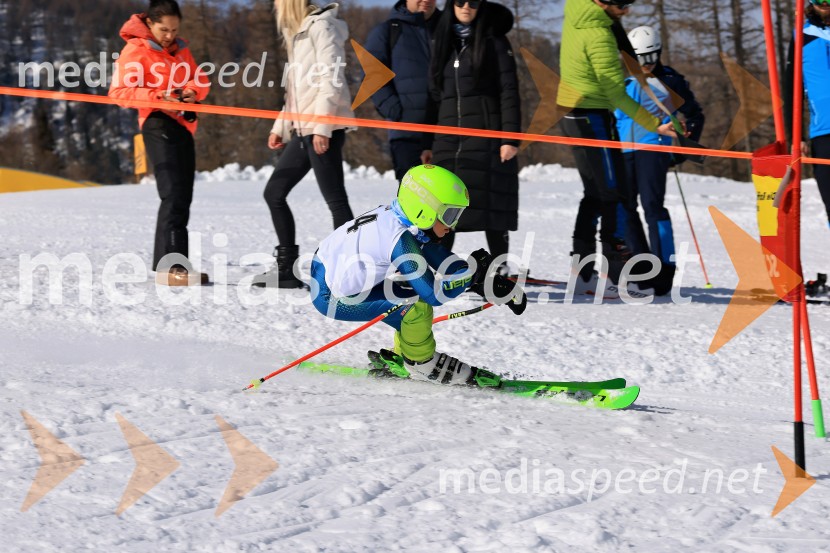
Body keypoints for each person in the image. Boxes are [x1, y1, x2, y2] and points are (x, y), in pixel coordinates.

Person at [311, 164, 526, 383]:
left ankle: (403, 354)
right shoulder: (398, 238)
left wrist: (484, 280)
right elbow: (434, 294)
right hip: (332, 297)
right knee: (417, 308)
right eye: (450, 214)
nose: (452, 225)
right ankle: (422, 364)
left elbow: (439, 257)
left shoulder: (398, 217)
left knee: (409, 299)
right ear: (424, 209)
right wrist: (472, 274)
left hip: (326, 273)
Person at [557, 0, 678, 296]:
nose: (627, 10)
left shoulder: (577, 10)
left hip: (575, 113)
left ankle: (583, 273)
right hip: (591, 115)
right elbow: (616, 94)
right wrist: (655, 124)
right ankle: (616, 275)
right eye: (622, 4)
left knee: (596, 195)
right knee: (613, 194)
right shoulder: (599, 33)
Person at [254, 0, 356, 288]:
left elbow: (332, 80)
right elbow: (296, 92)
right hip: (303, 130)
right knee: (274, 193)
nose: (276, 6)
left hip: (322, 128)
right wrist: (281, 126)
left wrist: (323, 127)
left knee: (336, 201)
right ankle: (286, 269)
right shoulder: (298, 33)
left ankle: (349, 272)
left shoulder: (322, 27)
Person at [109, 0, 211, 286]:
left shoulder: (181, 49)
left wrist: (191, 92)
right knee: (173, 193)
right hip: (157, 121)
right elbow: (119, 92)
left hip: (183, 124)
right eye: (163, 29)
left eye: (174, 30)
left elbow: (200, 80)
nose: (169, 35)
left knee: (183, 196)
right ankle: (172, 267)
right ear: (150, 24)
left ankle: (173, 265)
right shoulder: (136, 50)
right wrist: (159, 96)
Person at [421, 0, 521, 271]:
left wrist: (509, 138)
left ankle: (500, 266)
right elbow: (434, 97)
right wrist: (428, 142)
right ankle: (441, 267)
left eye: (474, 1)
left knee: (492, 203)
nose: (466, 6)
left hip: (487, 137)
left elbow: (509, 91)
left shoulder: (495, 41)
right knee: (445, 205)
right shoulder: (442, 41)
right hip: (446, 139)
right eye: (460, 1)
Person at [615, 25, 704, 296]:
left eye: (651, 57)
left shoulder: (670, 80)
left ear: (659, 52)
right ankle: (642, 265)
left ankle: (665, 268)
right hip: (623, 150)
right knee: (624, 207)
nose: (646, 64)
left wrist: (683, 148)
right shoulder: (620, 79)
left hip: (652, 148)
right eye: (639, 59)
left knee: (652, 206)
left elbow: (695, 115)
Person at [364, 0, 442, 182]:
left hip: (446, 134)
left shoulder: (449, 30)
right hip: (407, 135)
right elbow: (371, 75)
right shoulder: (388, 30)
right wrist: (395, 111)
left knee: (451, 196)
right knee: (413, 195)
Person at [785, 0, 830, 231]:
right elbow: (791, 88)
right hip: (823, 130)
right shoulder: (802, 35)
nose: (826, 4)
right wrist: (796, 135)